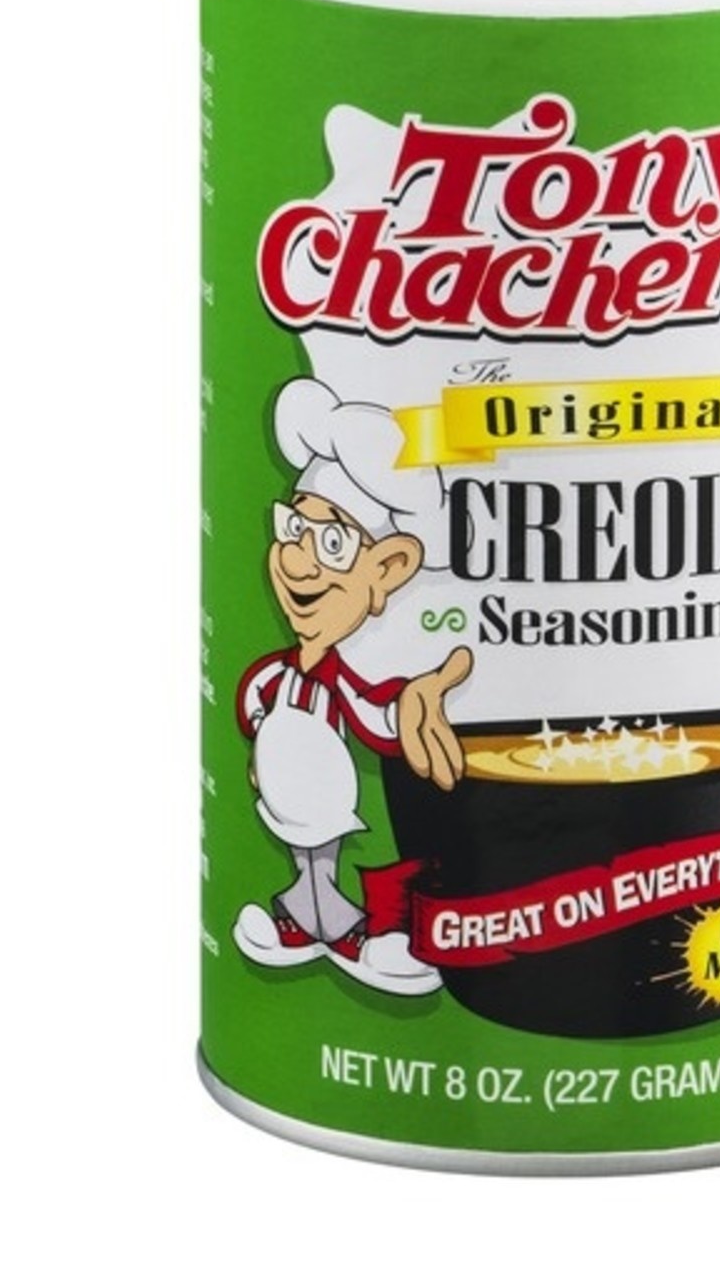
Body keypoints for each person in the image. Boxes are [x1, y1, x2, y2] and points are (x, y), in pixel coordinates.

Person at [232, 377, 472, 995]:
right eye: (294, 529)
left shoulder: (347, 683)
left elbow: (377, 715)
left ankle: (354, 933)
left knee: (342, 846)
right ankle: (303, 925)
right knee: (305, 853)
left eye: (332, 543)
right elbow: (255, 707)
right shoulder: (277, 676)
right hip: (288, 801)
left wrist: (417, 698)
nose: (297, 561)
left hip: (334, 804)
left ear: (389, 568)